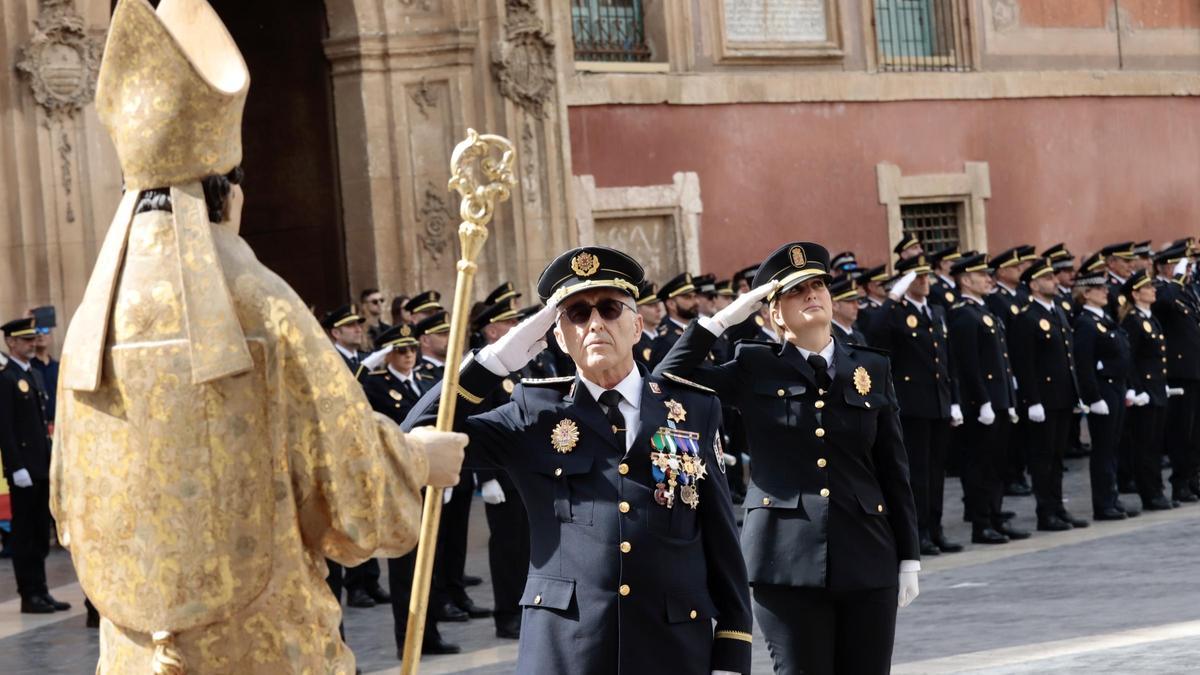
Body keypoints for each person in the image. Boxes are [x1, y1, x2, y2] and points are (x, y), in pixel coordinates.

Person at [52, 2, 467, 670]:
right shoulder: (259, 302)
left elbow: (69, 508)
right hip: (266, 646)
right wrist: (419, 460)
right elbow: (355, 492)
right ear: (229, 195)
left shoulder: (90, 322)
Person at [407, 245, 753, 675]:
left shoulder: (693, 409)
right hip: (566, 650)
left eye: (609, 309)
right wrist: (495, 361)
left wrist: (732, 656)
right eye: (576, 314)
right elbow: (414, 436)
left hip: (673, 648)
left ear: (637, 325)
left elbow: (721, 539)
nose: (594, 324)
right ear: (558, 336)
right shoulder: (534, 413)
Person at [655, 242, 920, 675]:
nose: (811, 294)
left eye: (818, 285)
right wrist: (721, 320)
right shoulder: (755, 365)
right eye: (796, 290)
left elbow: (893, 466)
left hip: (868, 554)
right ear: (774, 313)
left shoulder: (871, 368)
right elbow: (666, 380)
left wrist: (909, 554)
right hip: (784, 560)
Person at [362, 323, 461, 656]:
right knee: (405, 570)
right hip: (398, 482)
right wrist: (367, 365)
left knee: (430, 560)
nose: (408, 356)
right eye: (400, 350)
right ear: (387, 355)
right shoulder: (375, 384)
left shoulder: (425, 380)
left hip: (428, 477)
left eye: (411, 349)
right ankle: (408, 642)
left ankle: (428, 634)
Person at [869, 255, 963, 555]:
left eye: (926, 276)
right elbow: (875, 331)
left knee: (936, 473)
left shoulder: (936, 311)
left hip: (939, 403)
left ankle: (936, 529)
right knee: (917, 475)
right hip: (913, 406)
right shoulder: (896, 313)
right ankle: (918, 532)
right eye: (917, 277)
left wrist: (955, 400)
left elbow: (948, 359)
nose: (924, 281)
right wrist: (894, 296)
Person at [947, 254, 1029, 544]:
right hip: (982, 404)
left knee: (996, 463)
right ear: (966, 280)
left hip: (999, 400)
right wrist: (982, 401)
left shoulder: (983, 310)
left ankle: (995, 515)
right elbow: (968, 364)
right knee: (981, 465)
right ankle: (981, 523)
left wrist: (1008, 396)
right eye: (981, 275)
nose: (987, 279)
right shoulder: (963, 315)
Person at [470, 299, 533, 640]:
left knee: (525, 546)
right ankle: (506, 615)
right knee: (507, 548)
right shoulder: (485, 367)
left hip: (523, 472)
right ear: (492, 330)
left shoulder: (515, 363)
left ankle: (524, 609)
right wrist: (486, 477)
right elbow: (477, 423)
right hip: (500, 474)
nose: (515, 327)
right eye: (509, 322)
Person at [1009, 259, 1088, 531]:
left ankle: (1058, 508)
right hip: (1043, 399)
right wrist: (1032, 401)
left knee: (1056, 457)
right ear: (1033, 285)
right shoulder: (1027, 317)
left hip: (1062, 396)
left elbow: (1067, 358)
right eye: (1047, 278)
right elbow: (1024, 363)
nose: (1054, 281)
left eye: (1054, 277)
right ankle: (1046, 512)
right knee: (1042, 458)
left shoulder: (1057, 313)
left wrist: (1075, 393)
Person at [0, 317, 64, 615]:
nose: (31, 343)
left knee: (40, 532)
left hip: (40, 464)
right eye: (25, 340)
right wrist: (16, 467)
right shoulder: (6, 378)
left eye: (32, 338)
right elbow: (5, 428)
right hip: (24, 469)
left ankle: (42, 590)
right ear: (10, 342)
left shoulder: (34, 374)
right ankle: (29, 594)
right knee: (25, 535)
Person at [1072, 269, 1138, 521]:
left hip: (1116, 387)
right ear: (1086, 294)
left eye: (1104, 288)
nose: (1105, 292)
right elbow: (1084, 364)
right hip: (1103, 391)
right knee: (1103, 448)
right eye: (1099, 289)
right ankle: (1103, 504)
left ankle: (1112, 498)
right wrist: (1093, 398)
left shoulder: (1104, 318)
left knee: (1112, 447)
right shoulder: (1085, 323)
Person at [1119, 271, 1175, 511]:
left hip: (1156, 388)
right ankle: (1150, 494)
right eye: (1148, 287)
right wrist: (1135, 388)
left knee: (1154, 444)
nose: (1153, 290)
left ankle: (1157, 489)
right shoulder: (1133, 321)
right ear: (1135, 294)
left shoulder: (1150, 319)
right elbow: (1129, 359)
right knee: (1145, 446)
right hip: (1145, 392)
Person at [1151, 245, 1200, 504]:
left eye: (1188, 266)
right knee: (1181, 431)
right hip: (1179, 372)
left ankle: (1193, 478)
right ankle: (1180, 483)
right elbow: (1162, 304)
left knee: (1195, 432)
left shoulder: (1186, 291)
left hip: (1194, 369)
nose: (1187, 270)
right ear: (1163, 266)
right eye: (1180, 266)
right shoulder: (1160, 289)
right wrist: (1178, 278)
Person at [647, 272, 700, 366]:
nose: (696, 302)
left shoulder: (696, 331)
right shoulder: (665, 342)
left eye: (695, 296)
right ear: (671, 304)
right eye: (688, 297)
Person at [322, 304, 370, 381]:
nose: (359, 330)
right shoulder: (329, 361)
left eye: (358, 325)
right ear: (336, 333)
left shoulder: (367, 358)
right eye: (350, 325)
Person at [634, 280, 662, 367]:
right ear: (637, 309)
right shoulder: (635, 343)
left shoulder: (664, 335)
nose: (659, 309)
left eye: (658, 304)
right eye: (652, 305)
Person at [830, 277, 866, 344]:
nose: (857, 306)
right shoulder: (830, 338)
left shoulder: (858, 336)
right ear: (834, 305)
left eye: (857, 302)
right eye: (851, 302)